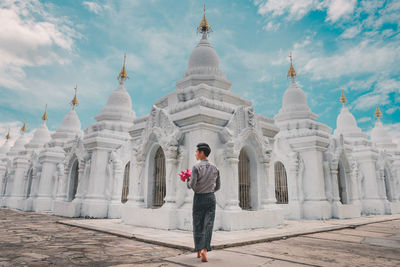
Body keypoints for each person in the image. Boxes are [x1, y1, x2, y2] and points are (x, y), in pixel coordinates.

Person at [187, 143, 220, 262]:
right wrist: (210, 191)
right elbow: (218, 186)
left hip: (199, 198)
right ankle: (204, 250)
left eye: (196, 152)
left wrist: (187, 181)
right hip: (211, 198)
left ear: (202, 153)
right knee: (208, 224)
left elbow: (192, 185)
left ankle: (198, 250)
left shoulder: (196, 167)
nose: (195, 154)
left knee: (198, 224)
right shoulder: (215, 167)